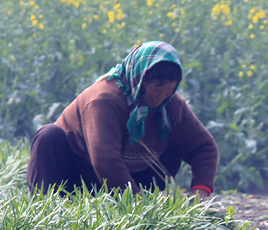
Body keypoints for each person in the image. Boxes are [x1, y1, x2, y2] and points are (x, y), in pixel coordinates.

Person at [27, 41, 218, 199]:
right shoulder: (104, 100)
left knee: (172, 152)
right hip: (77, 175)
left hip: (122, 181)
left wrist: (199, 193)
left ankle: (125, 204)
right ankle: (48, 206)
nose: (162, 96)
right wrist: (135, 204)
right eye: (157, 88)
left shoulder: (171, 104)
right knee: (49, 135)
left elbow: (204, 148)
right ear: (140, 79)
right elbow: (105, 161)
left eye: (169, 90)